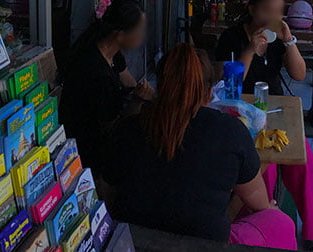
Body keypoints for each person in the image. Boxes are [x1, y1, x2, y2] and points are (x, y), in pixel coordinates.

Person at [105, 44, 297, 249]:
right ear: (208, 94)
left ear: (160, 87)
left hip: (133, 243)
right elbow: (258, 202)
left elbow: (108, 191)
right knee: (280, 222)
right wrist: (270, 209)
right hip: (204, 246)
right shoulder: (230, 131)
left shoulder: (128, 129)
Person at [215, 0, 313, 250]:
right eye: (267, 12)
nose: (272, 19)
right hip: (239, 113)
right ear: (252, 10)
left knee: (302, 160)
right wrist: (251, 51)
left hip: (275, 110)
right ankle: (259, 227)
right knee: (262, 167)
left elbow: (299, 75)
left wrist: (288, 40)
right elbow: (227, 84)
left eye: (278, 13)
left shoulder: (278, 39)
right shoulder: (232, 38)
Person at [59, 0, 154, 178]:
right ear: (120, 34)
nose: (142, 36)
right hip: (86, 151)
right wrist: (137, 100)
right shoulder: (97, 74)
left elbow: (129, 82)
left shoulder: (109, 52)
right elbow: (114, 129)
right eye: (139, 31)